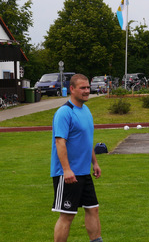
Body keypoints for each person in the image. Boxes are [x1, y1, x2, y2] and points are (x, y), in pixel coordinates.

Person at [50, 74, 103, 242]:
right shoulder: (64, 113)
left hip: (83, 172)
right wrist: (66, 170)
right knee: (67, 216)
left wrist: (94, 162)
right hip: (66, 174)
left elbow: (86, 140)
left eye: (88, 87)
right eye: (83, 88)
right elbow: (60, 142)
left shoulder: (86, 110)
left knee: (93, 209)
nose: (87, 91)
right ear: (72, 89)